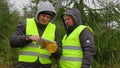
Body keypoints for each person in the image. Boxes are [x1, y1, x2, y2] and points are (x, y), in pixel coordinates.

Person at [10, 1, 61, 68]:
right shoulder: (25, 23)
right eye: (43, 16)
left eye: (48, 17)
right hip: (24, 66)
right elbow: (12, 41)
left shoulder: (54, 29)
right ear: (38, 14)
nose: (45, 19)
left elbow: (58, 54)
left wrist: (55, 50)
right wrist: (28, 38)